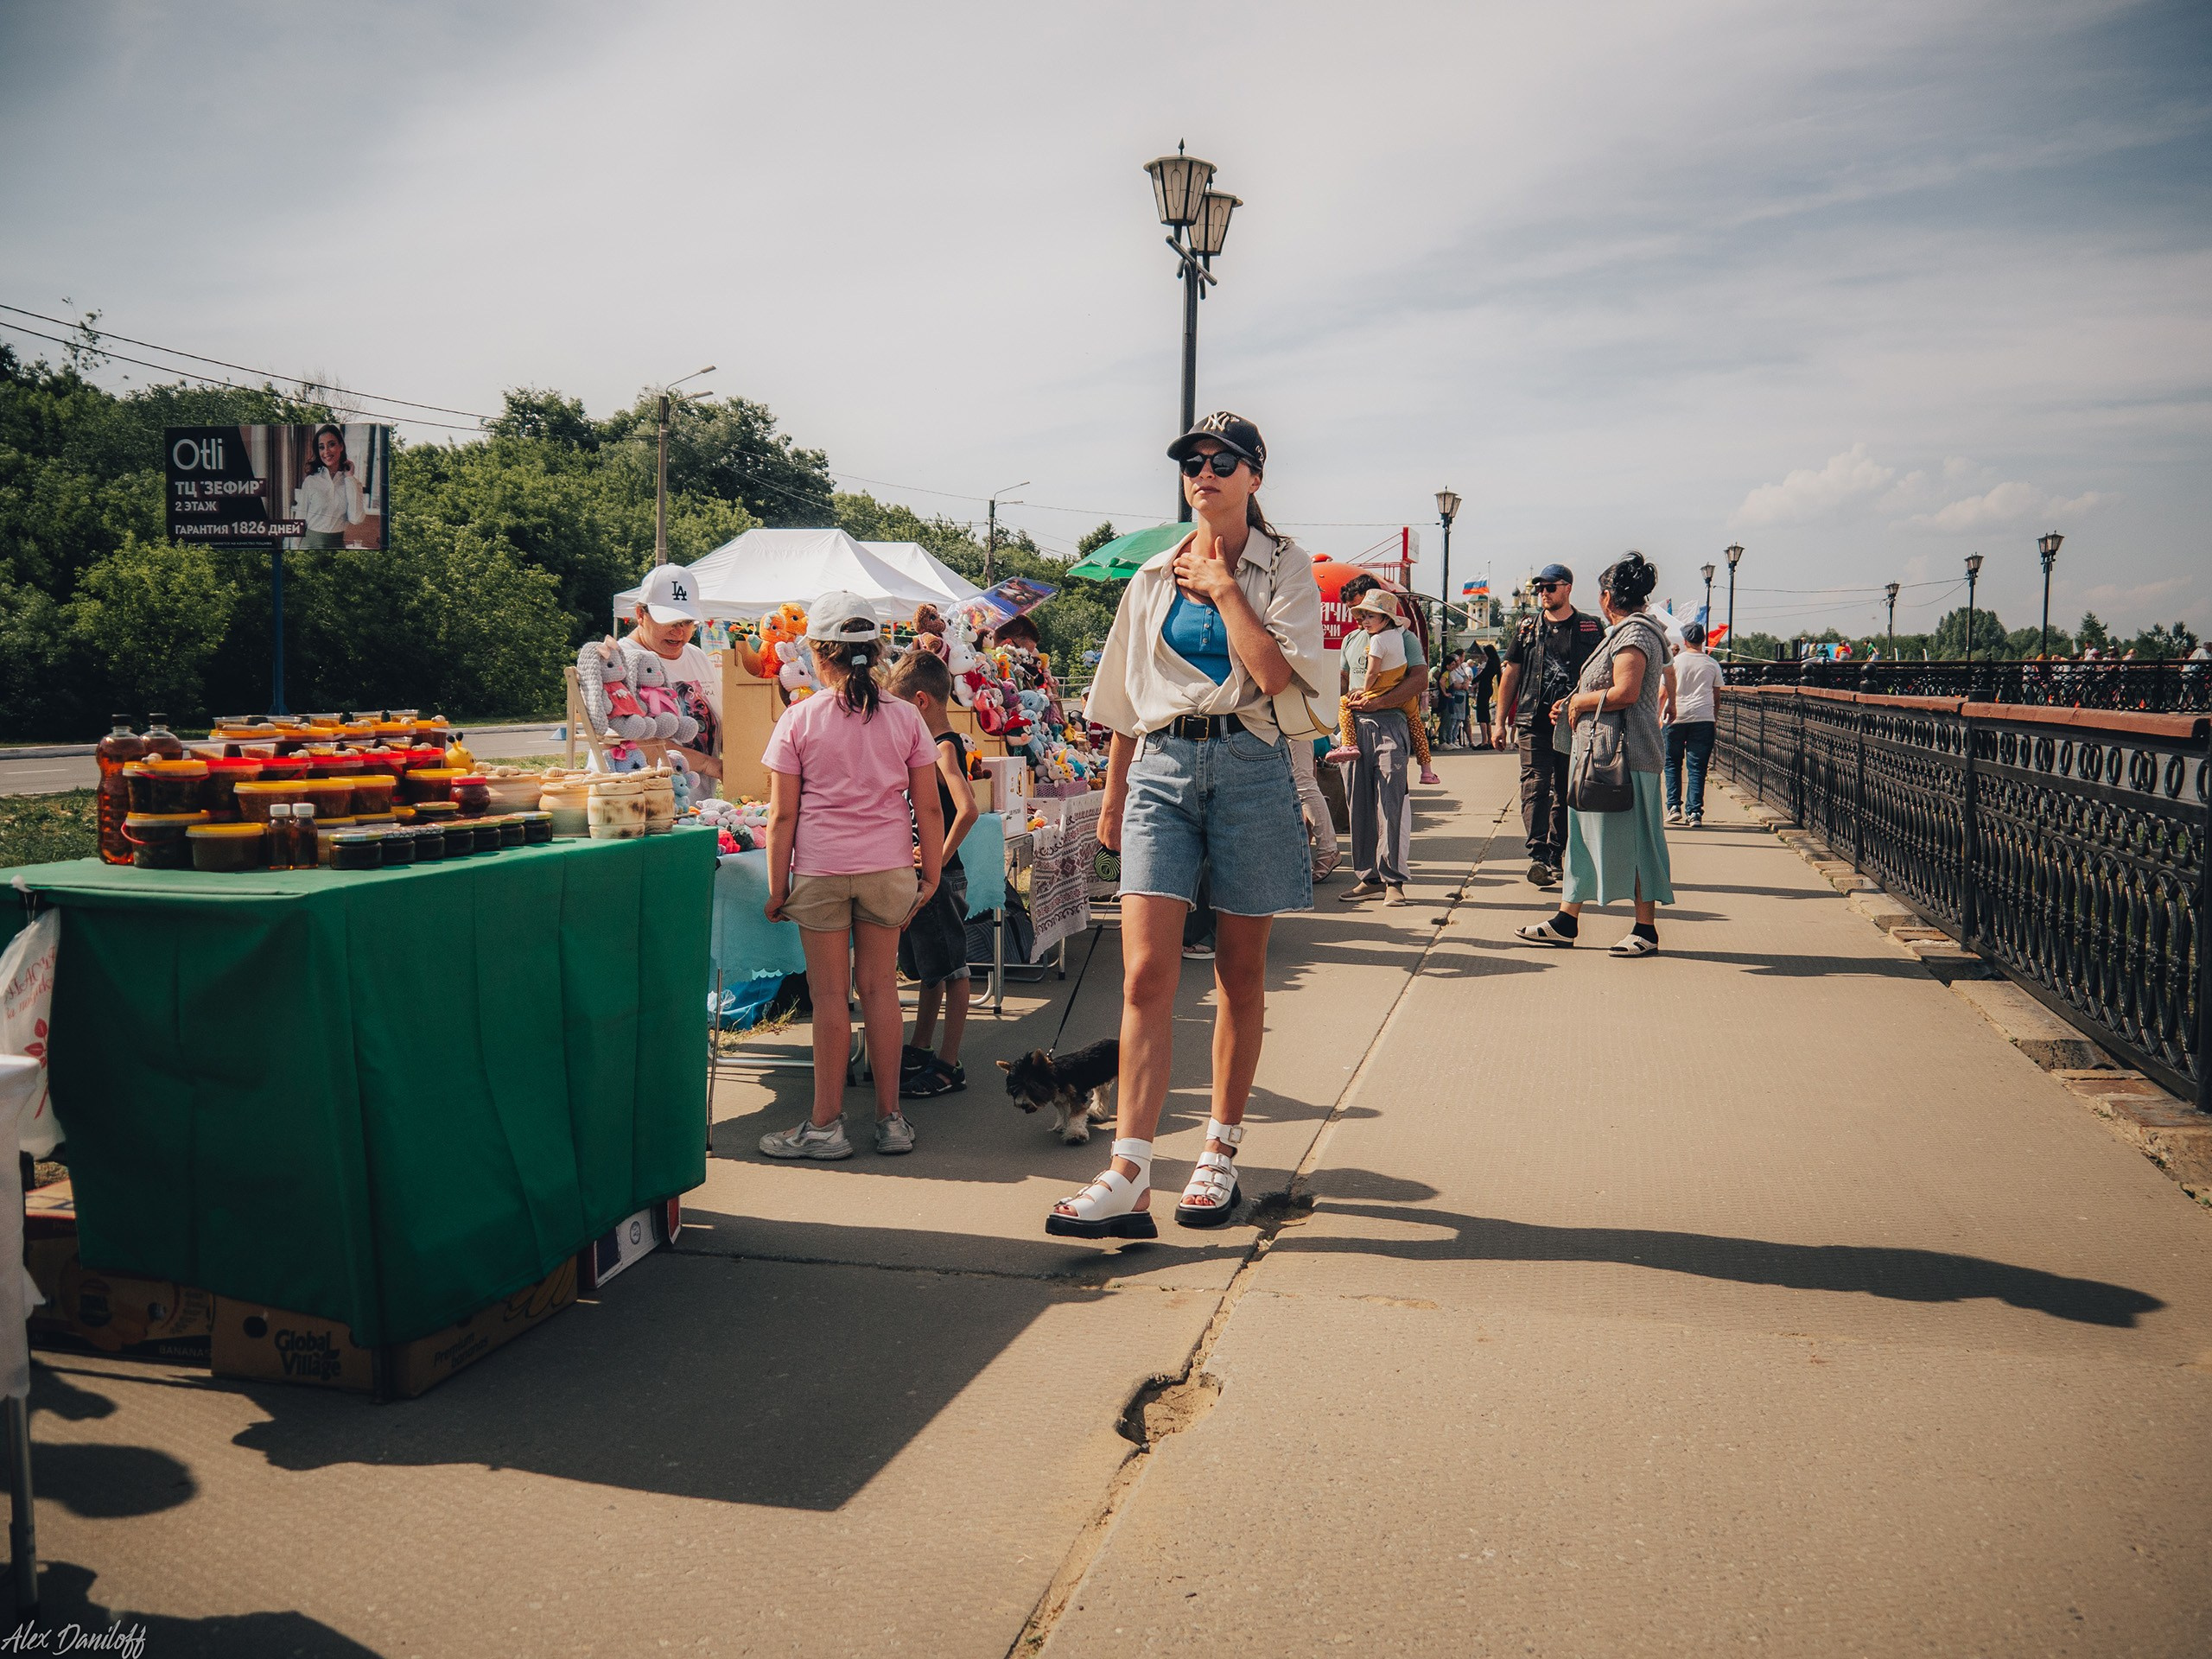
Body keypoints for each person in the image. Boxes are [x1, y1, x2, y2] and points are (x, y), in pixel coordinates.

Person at [1064, 410, 1325, 1239]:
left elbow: (1278, 673)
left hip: (1250, 765)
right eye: (1192, 461)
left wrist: (1222, 589)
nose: (1204, 471)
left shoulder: (1285, 568)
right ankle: (1129, 1172)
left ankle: (1219, 1151)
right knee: (1145, 976)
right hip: (1163, 770)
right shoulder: (1150, 577)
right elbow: (1121, 700)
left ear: (1255, 474)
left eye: (1223, 460)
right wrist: (1111, 797)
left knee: (1240, 975)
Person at [757, 593, 944, 1160]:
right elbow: (929, 808)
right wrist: (929, 874)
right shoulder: (907, 716)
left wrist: (776, 887)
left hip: (820, 870)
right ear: (879, 651)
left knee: (830, 997)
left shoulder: (798, 719)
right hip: (888, 870)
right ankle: (891, 1121)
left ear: (818, 655)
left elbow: (781, 815)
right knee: (882, 990)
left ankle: (824, 1126)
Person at [1515, 553, 1675, 957]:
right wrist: (1571, 705)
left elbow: (1627, 692)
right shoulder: (1624, 632)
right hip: (1600, 756)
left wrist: (1582, 702)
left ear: (1607, 597)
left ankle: (1646, 929)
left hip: (1627, 757)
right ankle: (1566, 920)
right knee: (1584, 841)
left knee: (1638, 842)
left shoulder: (1634, 635)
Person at [885, 649, 981, 1099]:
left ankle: (948, 1063)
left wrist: (936, 863)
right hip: (929, 876)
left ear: (920, 701)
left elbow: (968, 810)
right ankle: (922, 1048)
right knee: (931, 968)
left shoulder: (943, 747)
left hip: (940, 878)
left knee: (953, 969)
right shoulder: (929, 746)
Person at [1493, 564, 1603, 888]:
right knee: (1535, 784)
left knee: (1566, 791)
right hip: (1532, 721)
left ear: (1567, 588)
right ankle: (1538, 853)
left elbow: (1603, 673)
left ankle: (1556, 852)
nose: (1543, 592)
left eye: (1550, 587)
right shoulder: (1527, 627)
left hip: (1573, 723)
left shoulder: (1589, 627)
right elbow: (1510, 673)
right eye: (1539, 587)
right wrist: (1501, 721)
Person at [600, 563, 724, 796]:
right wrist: (709, 764)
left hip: (694, 809)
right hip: (639, 804)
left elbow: (721, 722)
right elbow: (632, 742)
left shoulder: (697, 657)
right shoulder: (618, 664)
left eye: (687, 622)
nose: (679, 632)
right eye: (669, 622)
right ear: (640, 615)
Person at [1336, 590, 1417, 907]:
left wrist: (1379, 701)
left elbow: (1419, 679)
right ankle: (1368, 878)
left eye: (1369, 612)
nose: (1362, 618)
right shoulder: (1349, 640)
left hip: (1390, 723)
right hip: (1354, 726)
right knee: (1357, 802)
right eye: (1360, 612)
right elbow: (1344, 681)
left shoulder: (1404, 637)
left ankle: (1393, 879)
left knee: (1391, 800)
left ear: (1386, 616)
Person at [1660, 620, 1724, 827]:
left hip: (1675, 717)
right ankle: (1695, 812)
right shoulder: (1711, 663)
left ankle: (1673, 807)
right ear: (1703, 640)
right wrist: (1713, 718)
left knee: (1672, 763)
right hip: (1703, 717)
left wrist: (1658, 716)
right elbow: (1716, 697)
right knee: (1697, 767)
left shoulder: (1674, 662)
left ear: (1685, 640)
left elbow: (1662, 693)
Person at [1332, 592, 1411, 750]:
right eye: (1363, 615)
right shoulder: (1397, 633)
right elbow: (1406, 622)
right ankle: (1426, 770)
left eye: (1370, 616)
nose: (1363, 620)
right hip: (1379, 709)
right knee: (1417, 729)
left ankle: (1348, 744)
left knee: (1344, 703)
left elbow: (1373, 672)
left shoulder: (1379, 640)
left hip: (1383, 708)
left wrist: (1365, 691)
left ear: (1385, 618)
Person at [290, 423, 365, 550]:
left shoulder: (352, 483)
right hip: (309, 545)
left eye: (331, 444)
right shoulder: (311, 481)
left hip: (337, 546)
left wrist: (349, 478)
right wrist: (294, 549)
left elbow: (356, 519)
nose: (326, 452)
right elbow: (299, 520)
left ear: (341, 446)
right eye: (321, 447)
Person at [1473, 643, 1501, 748]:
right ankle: (1489, 740)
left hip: (1484, 688)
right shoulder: (1496, 662)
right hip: (1489, 688)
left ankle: (1484, 741)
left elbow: (1483, 675)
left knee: (1481, 715)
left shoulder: (1490, 663)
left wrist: (1475, 680)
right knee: (1486, 715)